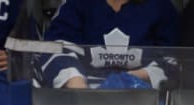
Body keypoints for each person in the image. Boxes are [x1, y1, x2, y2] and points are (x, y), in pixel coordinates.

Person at [37, 0, 179, 88]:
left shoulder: (160, 7)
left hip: (142, 100)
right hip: (81, 101)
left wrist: (128, 80)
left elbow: (172, 60)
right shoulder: (77, 4)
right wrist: (77, 86)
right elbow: (57, 47)